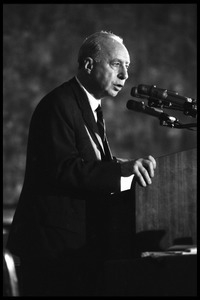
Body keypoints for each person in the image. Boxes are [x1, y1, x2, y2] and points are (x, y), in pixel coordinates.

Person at [6, 30, 156, 296]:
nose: (125, 75)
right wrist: (119, 170)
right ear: (88, 64)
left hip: (77, 249)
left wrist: (119, 164)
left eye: (127, 66)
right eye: (116, 64)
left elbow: (85, 162)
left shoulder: (88, 106)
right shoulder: (59, 104)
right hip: (53, 253)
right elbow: (62, 169)